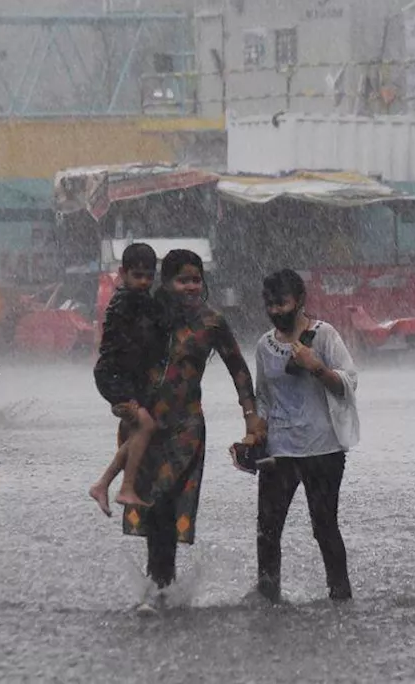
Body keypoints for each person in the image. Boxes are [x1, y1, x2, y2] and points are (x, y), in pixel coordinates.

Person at [124, 249, 264, 612]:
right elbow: (117, 359)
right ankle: (162, 586)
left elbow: (239, 369)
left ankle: (159, 589)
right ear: (166, 283)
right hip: (146, 429)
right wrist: (119, 400)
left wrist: (250, 415)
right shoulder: (149, 317)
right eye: (182, 280)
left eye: (196, 280)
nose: (190, 287)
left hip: (186, 430)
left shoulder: (211, 322)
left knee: (164, 502)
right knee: (152, 507)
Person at [241, 268, 359, 603]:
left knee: (324, 527)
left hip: (323, 449)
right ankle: (268, 594)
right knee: (267, 528)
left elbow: (349, 383)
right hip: (280, 450)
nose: (276, 311)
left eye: (282, 303)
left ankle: (340, 595)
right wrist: (255, 430)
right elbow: (263, 395)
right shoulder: (264, 346)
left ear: (300, 301)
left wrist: (316, 366)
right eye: (270, 305)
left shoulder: (324, 336)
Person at [89, 242, 165, 514]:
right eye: (138, 275)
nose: (144, 282)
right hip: (114, 377)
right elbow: (137, 343)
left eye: (149, 276)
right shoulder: (128, 301)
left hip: (124, 377)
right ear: (122, 273)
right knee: (145, 426)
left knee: (139, 432)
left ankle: (102, 484)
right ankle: (126, 488)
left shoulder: (136, 300)